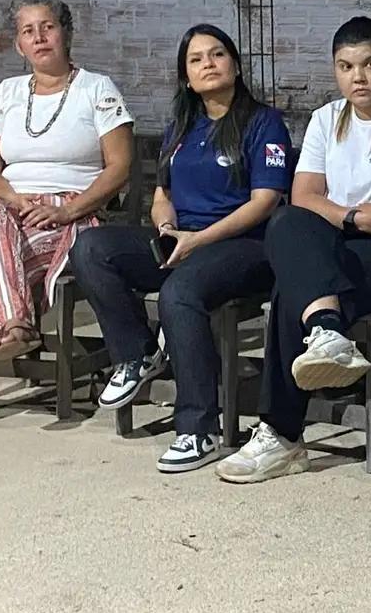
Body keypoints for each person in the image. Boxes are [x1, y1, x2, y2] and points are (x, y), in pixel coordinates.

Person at [212, 16, 371, 484]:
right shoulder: (326, 118)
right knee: (286, 224)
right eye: (346, 66)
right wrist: (359, 217)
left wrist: (338, 212)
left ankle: (282, 435)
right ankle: (326, 333)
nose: (358, 77)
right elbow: (302, 199)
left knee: (294, 283)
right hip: (340, 246)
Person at [68, 25, 291, 473]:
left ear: (236, 65)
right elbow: (161, 196)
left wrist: (198, 240)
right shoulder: (181, 127)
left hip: (245, 246)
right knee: (91, 247)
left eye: (217, 54)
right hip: (184, 241)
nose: (208, 63)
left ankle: (198, 429)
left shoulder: (263, 122)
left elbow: (265, 202)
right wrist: (168, 228)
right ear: (186, 78)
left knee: (179, 292)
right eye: (196, 59)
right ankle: (138, 354)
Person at [0, 0, 134, 436]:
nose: (39, 37)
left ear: (66, 33)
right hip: (11, 209)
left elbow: (119, 166)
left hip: (72, 211)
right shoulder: (7, 93)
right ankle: (15, 317)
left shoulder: (96, 89)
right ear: (18, 45)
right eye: (28, 31)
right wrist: (14, 199)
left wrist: (69, 209)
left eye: (47, 27)